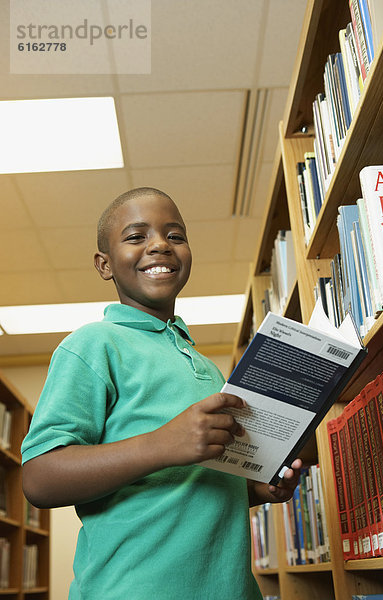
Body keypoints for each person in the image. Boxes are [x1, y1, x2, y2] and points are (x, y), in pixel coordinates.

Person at [21, 187, 302, 600]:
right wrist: (163, 443)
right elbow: (39, 478)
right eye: (136, 237)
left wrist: (257, 491)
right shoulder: (92, 346)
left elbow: (190, 490)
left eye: (175, 236)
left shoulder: (205, 366)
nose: (159, 245)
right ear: (104, 265)